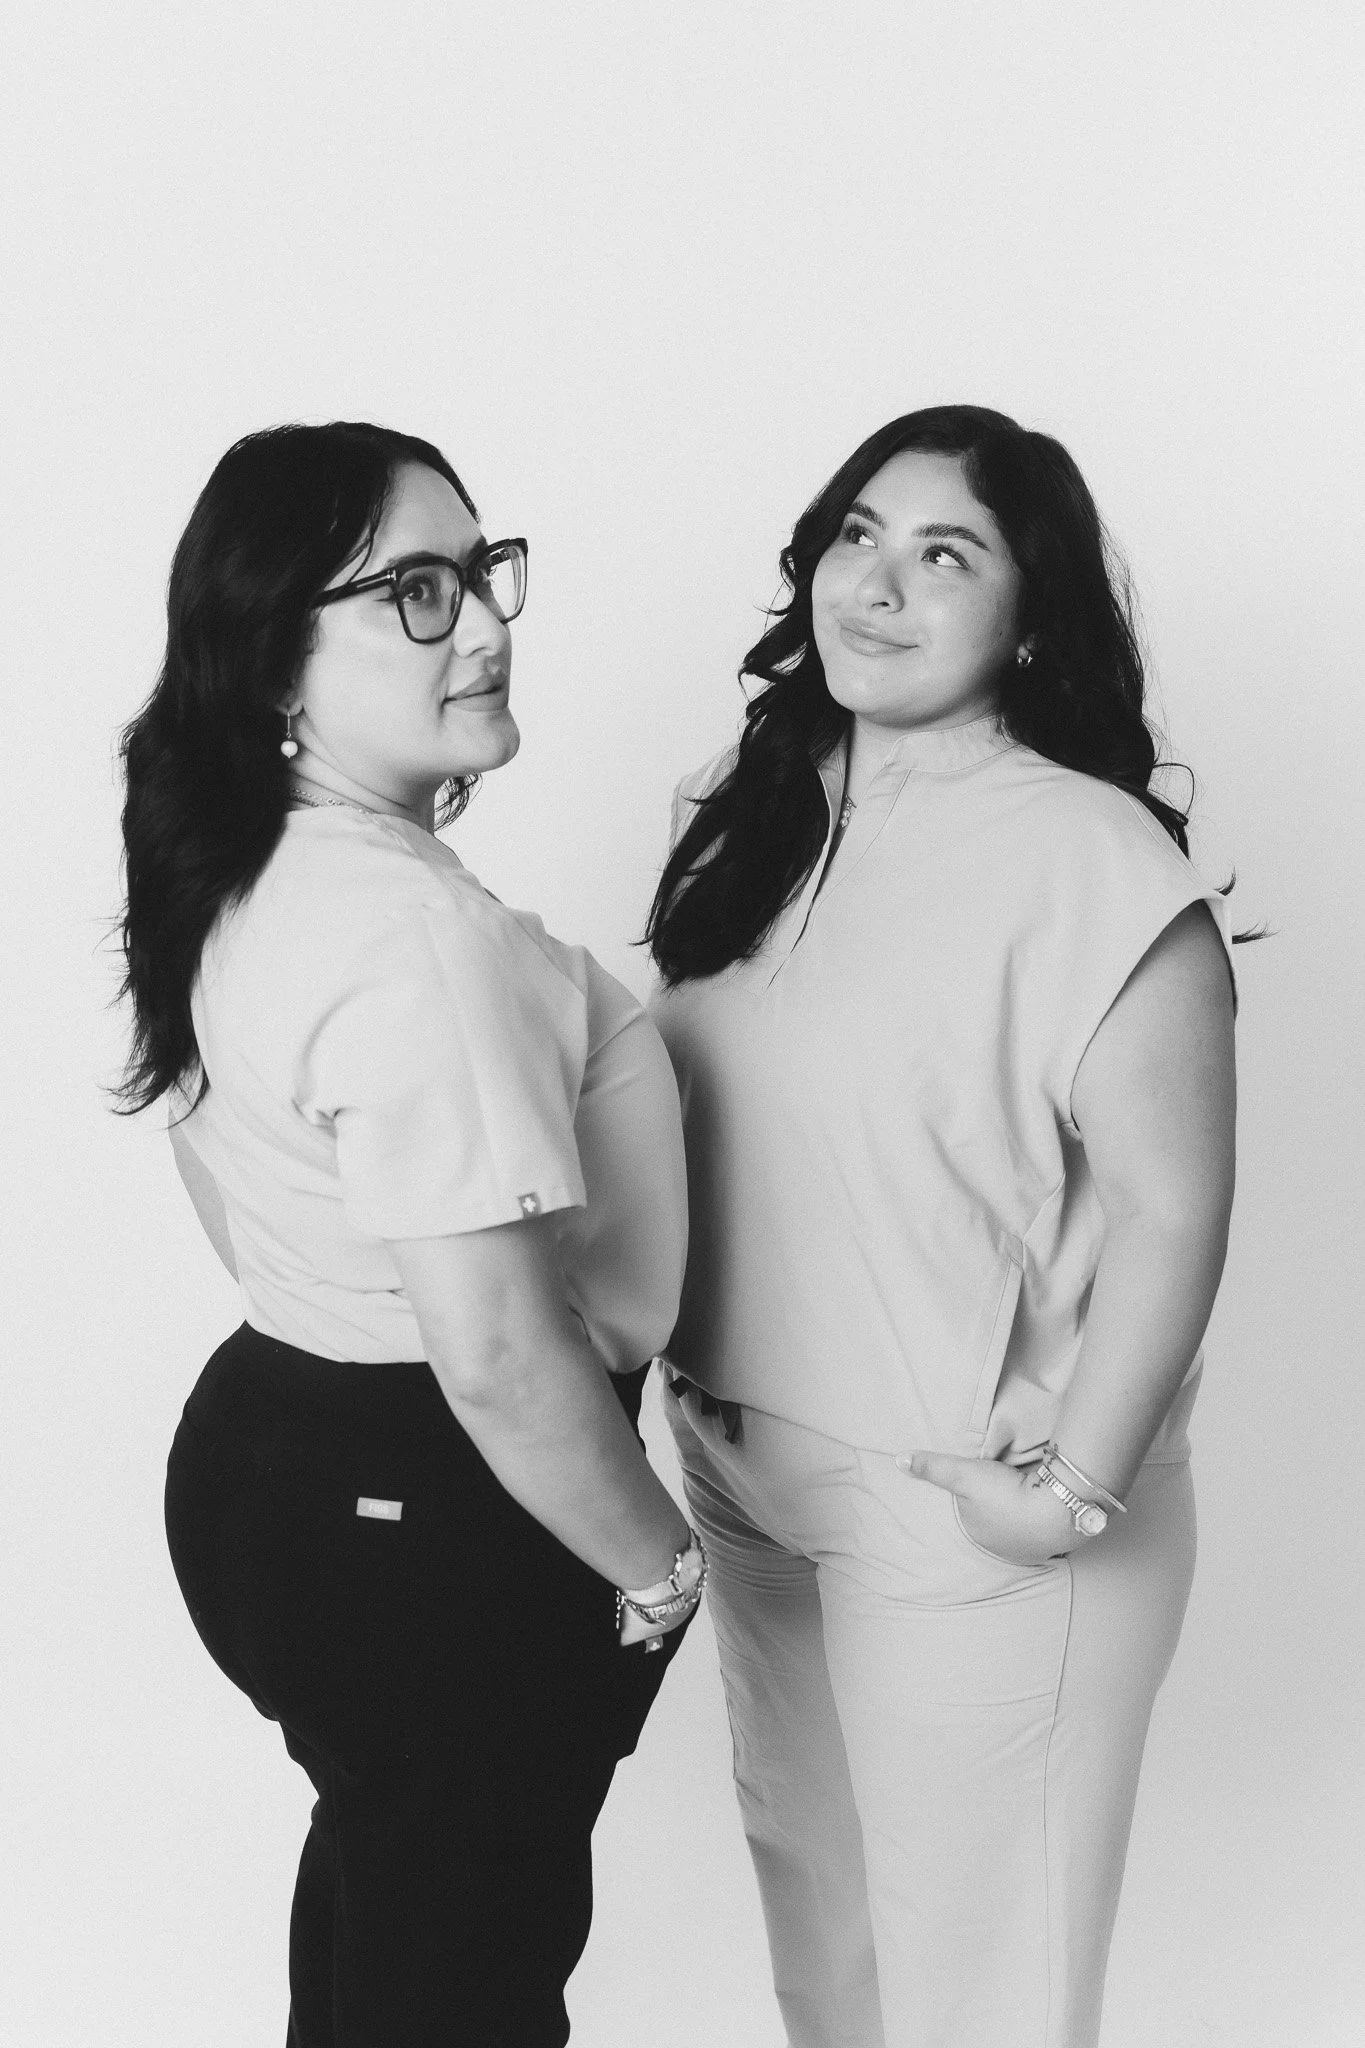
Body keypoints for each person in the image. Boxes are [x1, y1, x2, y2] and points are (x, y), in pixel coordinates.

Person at [645, 405, 1239, 2048]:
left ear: (1031, 616)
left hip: (970, 1508)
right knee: (831, 1968)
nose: (877, 585)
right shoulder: (755, 804)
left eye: (944, 555)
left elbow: (1177, 1206)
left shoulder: (1094, 859)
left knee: (981, 2002)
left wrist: (1068, 1493)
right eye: (858, 536)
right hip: (753, 1481)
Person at [117, 420, 705, 2048]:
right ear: (277, 664)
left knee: (396, 1924)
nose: (489, 625)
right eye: (420, 594)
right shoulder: (414, 934)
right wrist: (659, 1566)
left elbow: (219, 1168)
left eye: (484, 572)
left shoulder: (244, 864)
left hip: (274, 1453)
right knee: (463, 1984)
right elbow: (502, 1354)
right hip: (444, 1506)